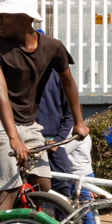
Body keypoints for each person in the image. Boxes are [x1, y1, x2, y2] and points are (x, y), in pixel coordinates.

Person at [0, 0, 88, 224]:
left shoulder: (52, 47)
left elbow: (69, 83)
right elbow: (1, 94)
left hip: (28, 121)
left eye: (4, 15)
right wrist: (14, 139)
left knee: (42, 184)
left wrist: (78, 121)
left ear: (25, 19)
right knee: (8, 191)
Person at [37, 67, 76, 199]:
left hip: (54, 143)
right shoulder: (20, 73)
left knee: (63, 188)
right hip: (27, 143)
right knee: (26, 191)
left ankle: (65, 220)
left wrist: (58, 140)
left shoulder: (57, 74)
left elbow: (70, 115)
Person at [63, 132, 96, 224]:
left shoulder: (72, 133)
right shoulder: (83, 131)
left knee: (84, 213)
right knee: (85, 212)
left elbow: (61, 151)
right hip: (84, 173)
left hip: (78, 176)